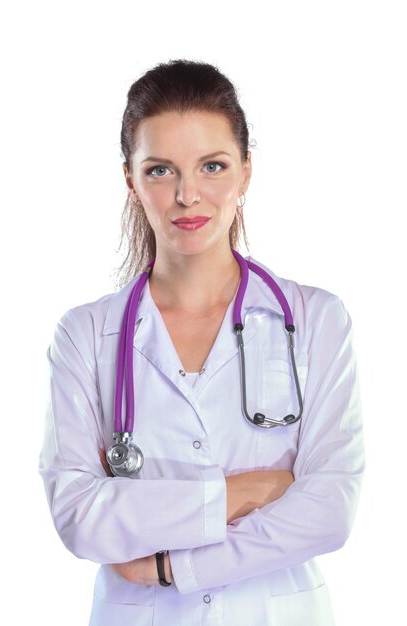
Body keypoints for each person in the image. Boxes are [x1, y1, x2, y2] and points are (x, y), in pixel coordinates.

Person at [38, 59, 365, 626]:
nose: (188, 195)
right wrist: (242, 492)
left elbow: (330, 511)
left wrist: (172, 568)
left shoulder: (317, 321)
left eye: (212, 166)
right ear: (131, 180)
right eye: (161, 170)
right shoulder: (86, 335)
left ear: (245, 171)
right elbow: (80, 516)